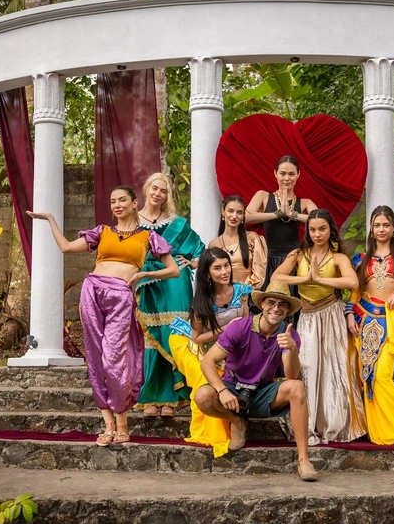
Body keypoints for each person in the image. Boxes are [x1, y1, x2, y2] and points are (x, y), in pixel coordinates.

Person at [27, 186, 179, 446]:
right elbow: (66, 247)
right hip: (92, 291)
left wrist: (144, 274)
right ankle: (109, 424)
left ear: (134, 203)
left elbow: (173, 270)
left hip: (121, 295)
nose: (117, 205)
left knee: (113, 359)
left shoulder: (148, 237)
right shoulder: (102, 232)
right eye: (112, 201)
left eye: (122, 200)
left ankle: (123, 423)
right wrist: (50, 219)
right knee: (96, 357)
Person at [194, 281, 319, 482]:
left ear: (287, 311)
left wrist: (292, 349)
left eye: (282, 304)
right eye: (271, 302)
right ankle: (237, 421)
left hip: (262, 393)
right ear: (262, 304)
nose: (276, 308)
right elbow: (207, 361)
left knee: (297, 387)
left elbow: (291, 375)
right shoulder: (240, 327)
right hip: (233, 389)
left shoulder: (289, 334)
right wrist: (221, 390)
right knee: (202, 396)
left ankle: (304, 460)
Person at [271, 209, 366, 445]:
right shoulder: (298, 254)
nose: (317, 234)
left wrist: (321, 279)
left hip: (332, 315)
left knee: (335, 369)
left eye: (322, 229)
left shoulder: (338, 258)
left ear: (330, 230)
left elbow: (353, 282)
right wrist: (304, 279)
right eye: (312, 230)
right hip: (307, 317)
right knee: (308, 366)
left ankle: (335, 425)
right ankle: (307, 424)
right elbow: (276, 277)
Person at [346, 205, 394, 445]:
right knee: (367, 376)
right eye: (377, 225)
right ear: (371, 229)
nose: (381, 229)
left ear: (393, 229)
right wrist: (349, 313)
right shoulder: (362, 259)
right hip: (364, 318)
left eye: (386, 225)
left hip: (389, 319)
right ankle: (376, 431)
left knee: (382, 375)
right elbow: (356, 291)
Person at [168, 247, 253, 457]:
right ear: (207, 273)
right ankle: (218, 430)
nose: (224, 271)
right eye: (217, 268)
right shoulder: (202, 302)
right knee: (206, 378)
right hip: (196, 343)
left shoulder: (241, 291)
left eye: (226, 266)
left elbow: (246, 323)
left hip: (227, 345)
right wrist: (227, 328)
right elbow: (197, 338)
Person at [135, 173, 205, 418]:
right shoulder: (133, 221)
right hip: (146, 282)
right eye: (155, 188)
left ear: (168, 196)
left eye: (163, 191)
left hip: (175, 281)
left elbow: (200, 249)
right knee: (152, 337)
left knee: (174, 334)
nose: (158, 194)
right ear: (146, 189)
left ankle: (173, 399)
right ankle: (152, 397)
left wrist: (192, 263)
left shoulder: (178, 224)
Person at [244, 155, 318, 293]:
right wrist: (277, 214)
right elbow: (246, 216)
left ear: (298, 175)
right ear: (275, 174)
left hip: (293, 259)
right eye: (282, 173)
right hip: (267, 259)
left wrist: (292, 214)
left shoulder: (305, 202)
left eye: (291, 174)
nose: (286, 178)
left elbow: (320, 220)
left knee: (290, 299)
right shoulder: (263, 196)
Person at [208, 195, 267, 290]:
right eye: (230, 211)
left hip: (247, 294)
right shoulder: (214, 244)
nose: (234, 216)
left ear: (243, 216)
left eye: (239, 212)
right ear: (223, 212)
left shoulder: (253, 239)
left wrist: (240, 292)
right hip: (222, 295)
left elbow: (259, 274)